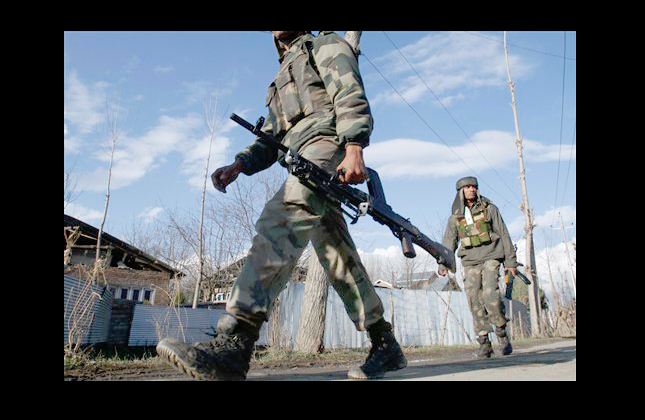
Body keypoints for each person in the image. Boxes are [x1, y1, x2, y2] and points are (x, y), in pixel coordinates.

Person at [157, 31, 406, 380]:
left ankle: (235, 342)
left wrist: (353, 146)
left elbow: (349, 90)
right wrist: (240, 164)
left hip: (326, 145)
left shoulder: (323, 44)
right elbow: (272, 136)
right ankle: (385, 343)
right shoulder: (280, 77)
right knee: (337, 253)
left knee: (281, 221)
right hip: (299, 156)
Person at [438, 176, 517, 358]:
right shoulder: (455, 217)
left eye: (474, 187)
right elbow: (449, 241)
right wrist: (443, 263)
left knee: (491, 295)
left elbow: (504, 235)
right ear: (460, 192)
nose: (471, 190)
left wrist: (510, 262)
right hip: (470, 261)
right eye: (467, 187)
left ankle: (501, 334)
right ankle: (484, 343)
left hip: (491, 257)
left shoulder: (490, 209)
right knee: (474, 300)